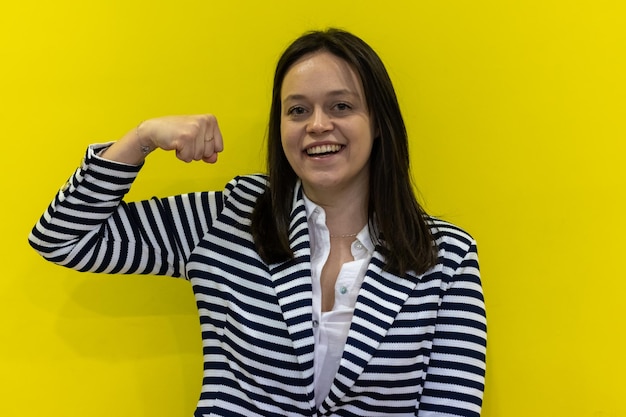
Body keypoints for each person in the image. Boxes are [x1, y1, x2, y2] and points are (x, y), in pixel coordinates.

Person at [29, 28, 486, 417]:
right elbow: (66, 238)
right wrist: (142, 138)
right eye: (298, 110)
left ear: (379, 122)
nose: (317, 125)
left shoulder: (447, 255)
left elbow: (451, 406)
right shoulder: (231, 217)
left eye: (342, 106)